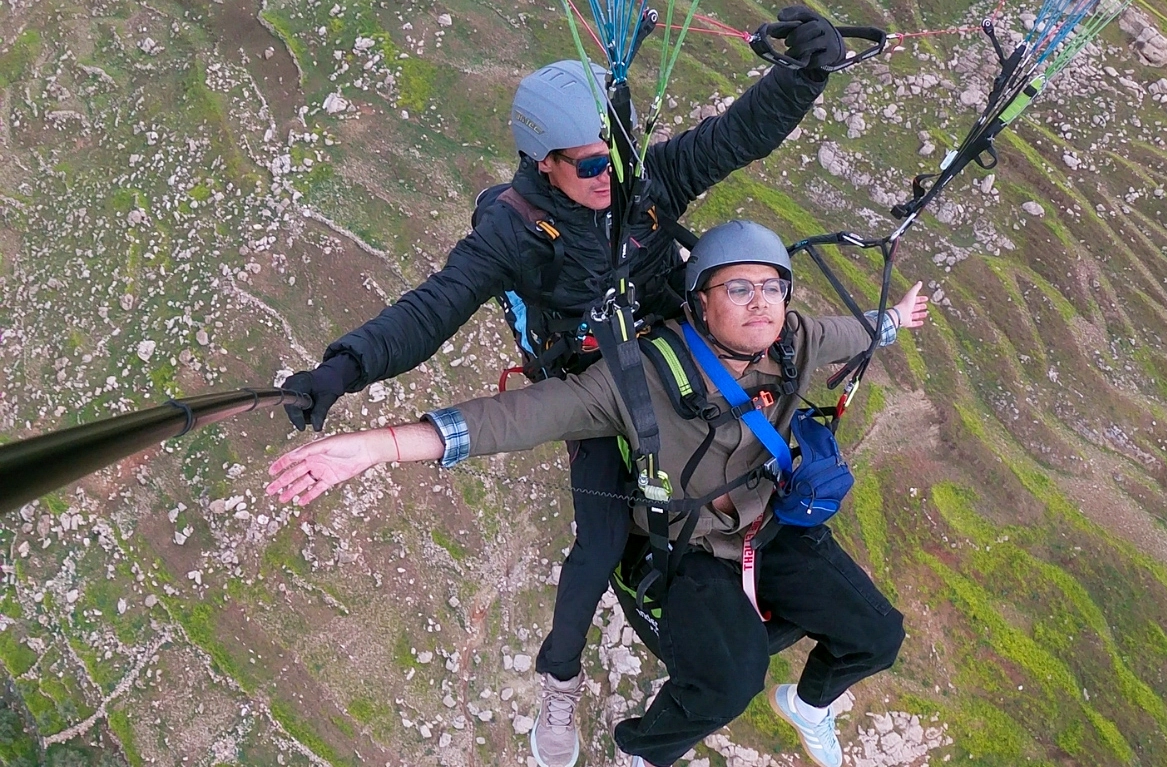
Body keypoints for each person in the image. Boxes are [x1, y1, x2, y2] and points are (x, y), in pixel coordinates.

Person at [279, 8, 845, 767]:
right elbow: (433, 309)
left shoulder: (644, 181)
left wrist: (802, 76)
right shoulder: (511, 233)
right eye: (588, 164)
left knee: (767, 448)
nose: (609, 174)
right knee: (600, 543)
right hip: (597, 382)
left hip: (681, 352)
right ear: (543, 162)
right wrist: (342, 370)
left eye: (615, 152)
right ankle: (560, 676)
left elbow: (735, 136)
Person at [266, 220, 930, 767]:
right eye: (738, 288)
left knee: (878, 635)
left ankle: (808, 704)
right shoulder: (635, 380)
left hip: (768, 525)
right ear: (701, 301)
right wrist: (376, 446)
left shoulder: (797, 340)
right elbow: (521, 417)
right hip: (688, 549)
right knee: (730, 681)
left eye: (771, 287)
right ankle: (642, 753)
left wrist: (898, 317)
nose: (760, 302)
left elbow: (865, 332)